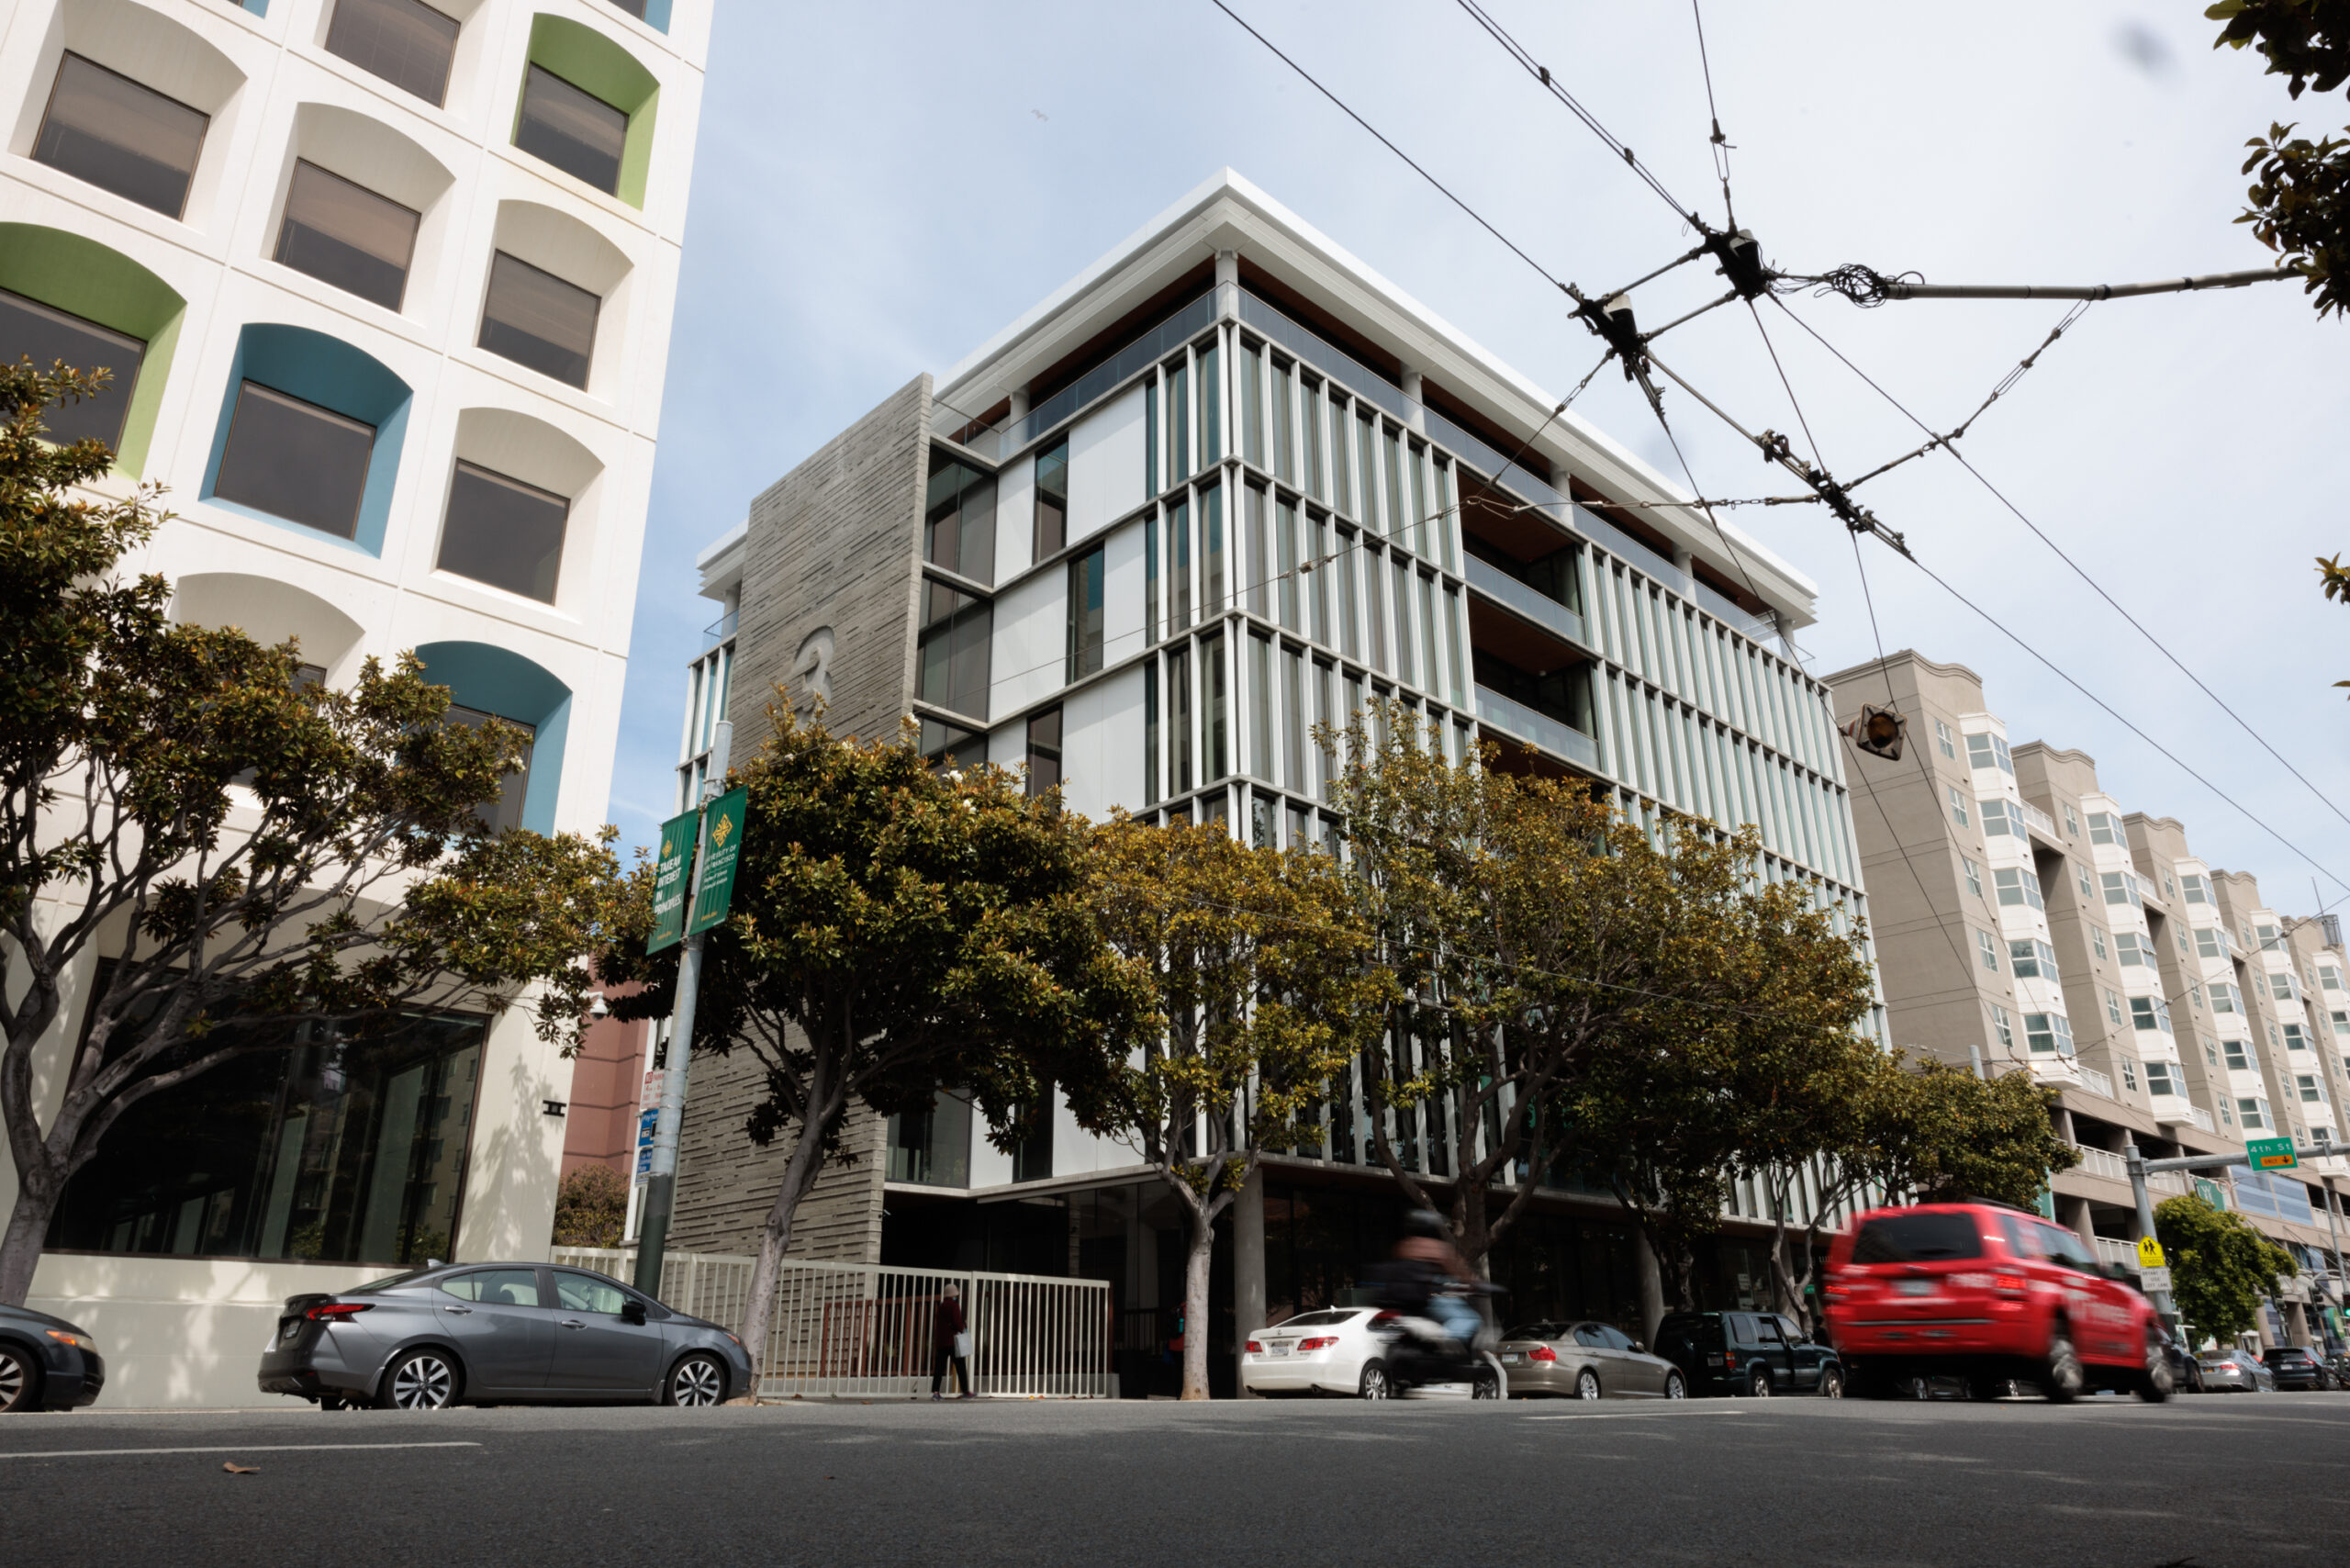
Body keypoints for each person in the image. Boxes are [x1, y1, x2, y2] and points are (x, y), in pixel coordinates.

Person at [1394, 1209, 1482, 1347]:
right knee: (1470, 1318)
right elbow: (1460, 1272)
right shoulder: (1438, 1248)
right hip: (1431, 1299)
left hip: (1404, 1305)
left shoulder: (1403, 1247)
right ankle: (1446, 1342)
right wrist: (1476, 1283)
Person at [931, 1283, 972, 1400]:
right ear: (954, 1295)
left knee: (939, 1368)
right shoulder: (954, 1306)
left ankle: (936, 1392)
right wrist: (963, 1326)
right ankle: (965, 1392)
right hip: (952, 1342)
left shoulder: (942, 1305)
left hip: (941, 1342)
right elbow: (957, 1322)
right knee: (960, 1366)